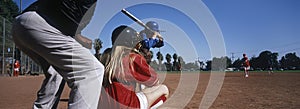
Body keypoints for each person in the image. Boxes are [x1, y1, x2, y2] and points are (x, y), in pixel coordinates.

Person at [12, 0, 104, 109]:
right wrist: (76, 36)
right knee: (90, 71)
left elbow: (66, 15)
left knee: (56, 71)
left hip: (24, 25)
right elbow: (67, 18)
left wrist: (77, 35)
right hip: (41, 24)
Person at [99, 25, 169, 109]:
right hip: (127, 106)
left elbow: (158, 43)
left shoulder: (105, 56)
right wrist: (154, 36)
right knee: (164, 89)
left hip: (105, 105)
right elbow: (154, 82)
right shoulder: (132, 58)